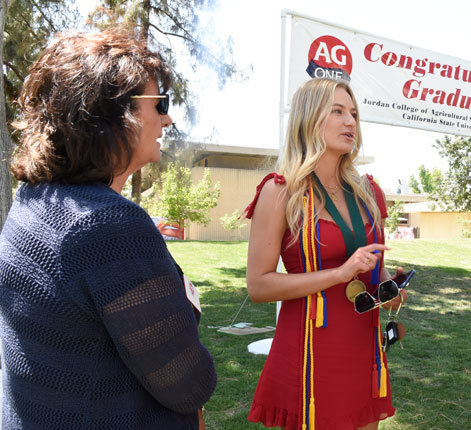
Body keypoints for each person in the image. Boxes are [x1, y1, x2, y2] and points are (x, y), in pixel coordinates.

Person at [0, 30, 217, 429]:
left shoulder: (32, 200)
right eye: (160, 103)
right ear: (112, 115)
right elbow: (189, 383)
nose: (167, 118)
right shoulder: (109, 226)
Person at [245, 77, 406, 430]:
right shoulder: (280, 192)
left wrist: (388, 290)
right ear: (308, 118)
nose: (350, 122)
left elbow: (371, 273)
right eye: (337, 111)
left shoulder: (369, 193)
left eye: (353, 113)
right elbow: (258, 286)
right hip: (310, 352)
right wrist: (338, 274)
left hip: (362, 348)